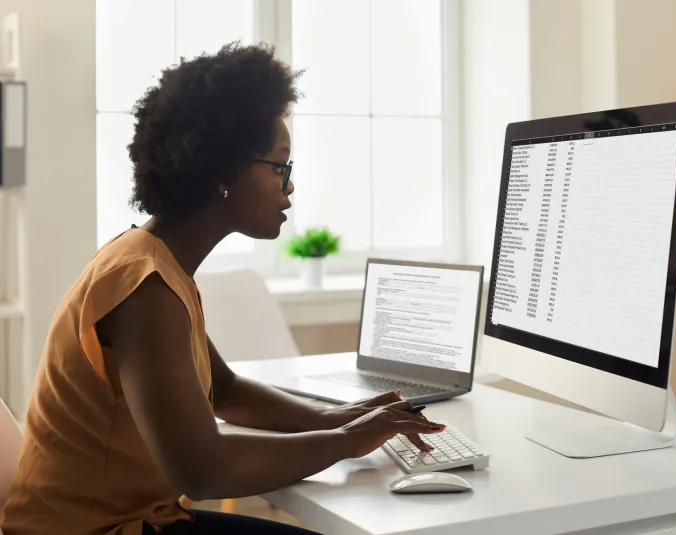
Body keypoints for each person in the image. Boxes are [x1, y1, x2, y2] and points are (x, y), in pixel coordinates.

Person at [0, 43, 444, 535]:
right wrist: (346, 439)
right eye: (280, 166)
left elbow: (226, 391)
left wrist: (333, 418)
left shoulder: (157, 263)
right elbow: (202, 468)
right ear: (223, 173)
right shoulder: (143, 288)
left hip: (140, 521)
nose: (289, 186)